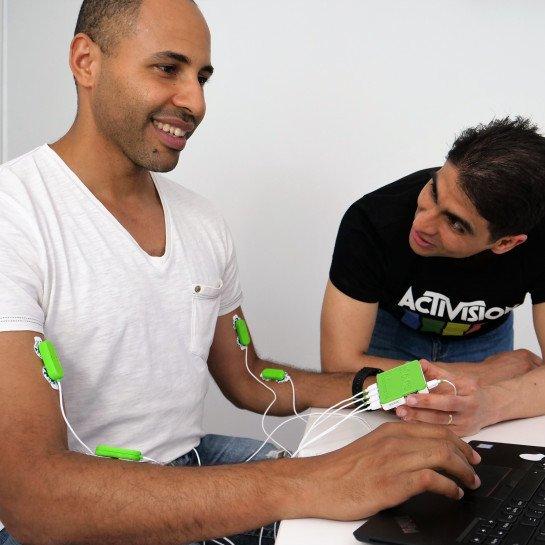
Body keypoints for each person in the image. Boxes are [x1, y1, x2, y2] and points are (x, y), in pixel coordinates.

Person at [0, 1, 482, 544]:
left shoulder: (201, 221)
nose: (195, 102)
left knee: (410, 514)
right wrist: (312, 480)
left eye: (202, 78)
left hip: (191, 462)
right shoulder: (14, 216)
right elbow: (32, 499)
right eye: (168, 68)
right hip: (74, 513)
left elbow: (249, 378)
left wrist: (385, 385)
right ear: (86, 61)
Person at [321, 117, 545, 435]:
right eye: (434, 192)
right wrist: (480, 374)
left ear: (506, 243)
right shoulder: (372, 219)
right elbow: (340, 370)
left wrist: (490, 404)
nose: (422, 224)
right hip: (390, 339)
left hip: (483, 339)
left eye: (455, 223)